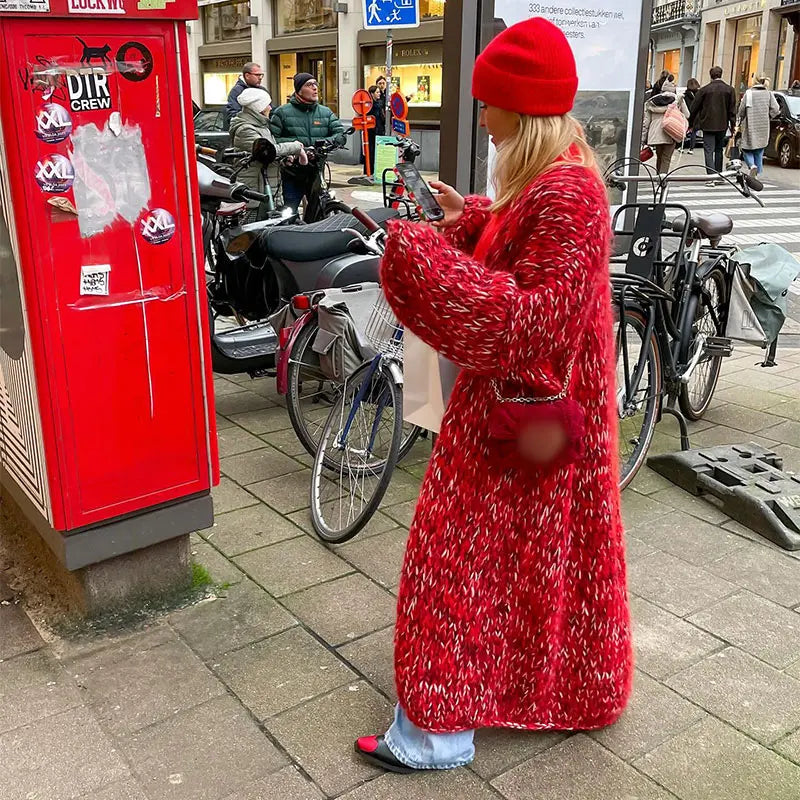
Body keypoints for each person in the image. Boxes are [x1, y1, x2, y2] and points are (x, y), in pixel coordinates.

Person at [354, 16, 631, 774]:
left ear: (521, 106)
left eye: (488, 101)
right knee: (523, 567)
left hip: (517, 414)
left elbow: (531, 318)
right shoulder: (556, 176)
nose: (479, 113)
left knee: (452, 567)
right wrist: (470, 219)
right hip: (529, 416)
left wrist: (415, 254)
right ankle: (561, 691)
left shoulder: (566, 191)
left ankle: (434, 735)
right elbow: (533, 253)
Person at [269, 72, 346, 213]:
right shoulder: (282, 112)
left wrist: (321, 144)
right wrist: (297, 146)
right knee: (288, 212)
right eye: (309, 85)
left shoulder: (325, 112)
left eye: (315, 84)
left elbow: (340, 134)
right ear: (298, 90)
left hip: (317, 171)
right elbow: (272, 139)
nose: (315, 88)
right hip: (292, 173)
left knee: (319, 211)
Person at [228, 88, 304, 199]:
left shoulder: (261, 126)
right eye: (267, 104)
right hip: (255, 189)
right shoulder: (245, 129)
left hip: (267, 185)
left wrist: (282, 159)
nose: (270, 108)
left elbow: (268, 155)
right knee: (257, 216)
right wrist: (295, 146)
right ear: (259, 108)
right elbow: (266, 151)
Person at [689, 66, 736, 179]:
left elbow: (694, 108)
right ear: (721, 74)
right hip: (722, 124)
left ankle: (711, 176)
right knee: (719, 149)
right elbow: (732, 109)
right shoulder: (730, 90)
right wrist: (733, 124)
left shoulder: (704, 90)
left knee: (708, 150)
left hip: (707, 124)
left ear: (711, 75)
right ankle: (719, 174)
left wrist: (691, 123)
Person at [642, 76, 689, 173]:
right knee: (666, 158)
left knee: (659, 156)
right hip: (671, 132)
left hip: (655, 133)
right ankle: (662, 181)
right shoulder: (678, 100)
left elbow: (646, 123)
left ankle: (658, 177)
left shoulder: (652, 102)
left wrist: (643, 138)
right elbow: (687, 114)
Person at [736, 76, 779, 175]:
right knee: (759, 152)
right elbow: (776, 109)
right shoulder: (768, 94)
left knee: (746, 149)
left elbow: (741, 111)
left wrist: (739, 120)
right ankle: (757, 175)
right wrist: (768, 115)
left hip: (750, 125)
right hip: (763, 127)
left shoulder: (749, 93)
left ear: (755, 82)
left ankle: (752, 166)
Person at [224, 63, 267, 128]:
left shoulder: (262, 90)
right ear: (247, 75)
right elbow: (233, 115)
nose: (260, 78)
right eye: (257, 75)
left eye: (261, 75)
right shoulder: (237, 91)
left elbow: (270, 109)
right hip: (247, 130)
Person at [362, 84, 384, 176]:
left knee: (376, 152)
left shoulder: (379, 103)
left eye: (379, 92)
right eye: (377, 92)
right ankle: (369, 171)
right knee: (370, 151)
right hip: (371, 131)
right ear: (372, 94)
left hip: (378, 131)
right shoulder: (370, 105)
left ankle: (373, 170)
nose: (379, 94)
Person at [680, 78, 701, 151]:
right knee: (694, 132)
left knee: (685, 130)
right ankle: (691, 149)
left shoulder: (686, 94)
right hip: (697, 115)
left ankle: (682, 147)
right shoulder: (699, 94)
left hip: (687, 114)